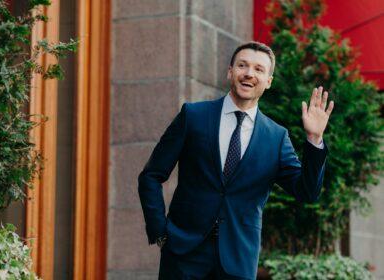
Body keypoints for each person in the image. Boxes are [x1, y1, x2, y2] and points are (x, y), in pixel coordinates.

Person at [138, 41, 334, 280]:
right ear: (230, 71)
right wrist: (159, 231)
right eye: (242, 65)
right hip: (182, 254)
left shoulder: (276, 137)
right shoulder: (194, 116)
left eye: (259, 69)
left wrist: (314, 139)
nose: (249, 73)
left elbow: (307, 192)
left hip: (239, 260)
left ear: (269, 81)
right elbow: (151, 176)